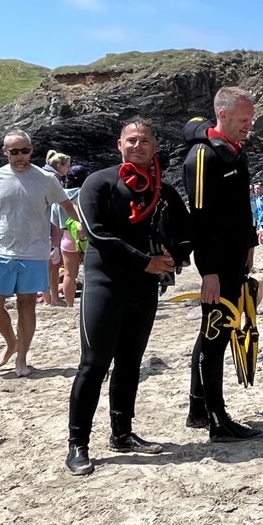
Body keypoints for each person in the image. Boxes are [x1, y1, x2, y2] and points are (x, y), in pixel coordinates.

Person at [65, 120, 192, 476]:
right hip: (105, 281)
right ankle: (78, 443)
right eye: (132, 140)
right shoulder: (100, 182)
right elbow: (96, 233)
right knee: (93, 364)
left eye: (145, 141)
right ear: (119, 144)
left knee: (130, 362)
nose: (138, 145)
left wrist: (176, 256)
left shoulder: (162, 191)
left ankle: (122, 433)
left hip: (144, 285)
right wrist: (146, 261)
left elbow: (186, 232)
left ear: (155, 146)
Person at [182, 87, 263, 441]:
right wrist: (209, 272)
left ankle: (198, 408)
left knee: (216, 332)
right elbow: (199, 219)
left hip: (235, 259)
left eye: (251, 119)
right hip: (216, 264)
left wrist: (249, 246)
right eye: (244, 119)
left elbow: (242, 207)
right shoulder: (203, 156)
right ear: (224, 115)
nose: (250, 125)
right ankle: (218, 420)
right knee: (215, 337)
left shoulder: (235, 151)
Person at [0, 130, 77, 376]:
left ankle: (21, 357)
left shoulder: (46, 179)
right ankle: (11, 342)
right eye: (15, 152)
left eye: (25, 150)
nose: (21, 156)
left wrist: (86, 229)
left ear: (32, 150)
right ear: (5, 152)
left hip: (34, 251)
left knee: (27, 305)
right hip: (0, 250)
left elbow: (67, 205)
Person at [52, 164, 88, 307]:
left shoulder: (60, 195)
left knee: (69, 274)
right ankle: (89, 303)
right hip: (86, 235)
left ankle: (70, 305)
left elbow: (54, 221)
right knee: (91, 272)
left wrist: (54, 246)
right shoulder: (85, 193)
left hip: (67, 236)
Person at [43, 150, 71, 306]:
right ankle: (52, 299)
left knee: (49, 267)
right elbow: (56, 208)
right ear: (59, 166)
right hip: (49, 229)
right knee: (52, 266)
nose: (68, 169)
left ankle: (50, 298)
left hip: (42, 228)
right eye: (67, 166)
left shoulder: (43, 175)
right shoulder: (52, 179)